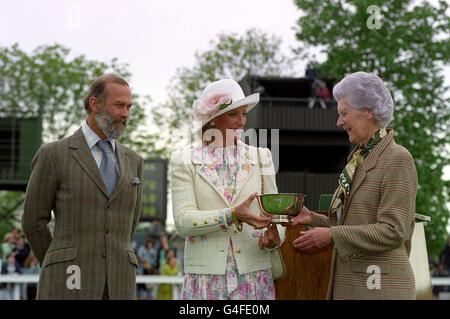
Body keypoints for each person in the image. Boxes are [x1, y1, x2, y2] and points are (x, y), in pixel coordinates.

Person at [287, 72, 418, 300]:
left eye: (344, 113)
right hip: (353, 287)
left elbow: (393, 230)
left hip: (378, 290)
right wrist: (313, 219)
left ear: (368, 111)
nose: (339, 122)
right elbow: (348, 223)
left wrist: (330, 236)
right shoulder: (357, 159)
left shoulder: (397, 158)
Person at [22, 74, 144, 300]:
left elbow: (130, 224)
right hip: (66, 283)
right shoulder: (53, 154)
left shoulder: (134, 161)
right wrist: (56, 261)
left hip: (120, 284)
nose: (126, 114)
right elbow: (32, 220)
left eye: (129, 107)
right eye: (119, 105)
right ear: (95, 104)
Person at [171, 79, 285, 300]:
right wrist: (231, 215)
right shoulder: (184, 160)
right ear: (212, 120)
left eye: (244, 114)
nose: (242, 122)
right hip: (206, 281)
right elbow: (183, 221)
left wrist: (274, 236)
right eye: (234, 114)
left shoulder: (261, 157)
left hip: (254, 277)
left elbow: (276, 213)